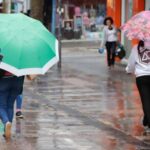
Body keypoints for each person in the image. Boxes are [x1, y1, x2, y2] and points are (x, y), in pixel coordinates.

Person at [126, 40, 150, 134]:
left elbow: (131, 64)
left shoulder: (136, 48)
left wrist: (128, 70)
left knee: (146, 100)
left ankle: (148, 121)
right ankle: (146, 120)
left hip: (141, 77)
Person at [0, 69, 24, 139]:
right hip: (17, 81)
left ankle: (6, 122)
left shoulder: (3, 57)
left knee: (1, 106)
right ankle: (7, 131)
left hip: (4, 80)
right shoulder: (20, 58)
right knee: (10, 106)